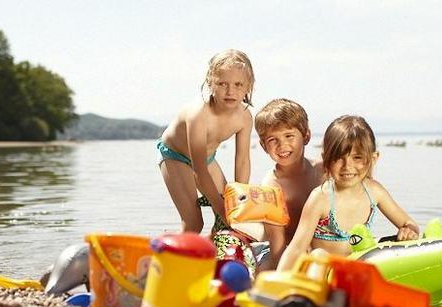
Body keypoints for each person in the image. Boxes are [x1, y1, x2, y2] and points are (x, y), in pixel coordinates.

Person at [276, 115, 420, 271]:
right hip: (324, 271)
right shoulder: (321, 198)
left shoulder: (375, 192)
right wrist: (277, 282)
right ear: (326, 159)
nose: (347, 166)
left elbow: (409, 224)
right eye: (338, 158)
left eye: (357, 157)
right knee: (319, 255)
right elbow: (296, 248)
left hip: (355, 270)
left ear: (373, 158)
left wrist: (408, 231)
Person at [158, 49, 254, 234]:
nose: (230, 91)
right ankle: (172, 258)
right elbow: (199, 171)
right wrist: (221, 208)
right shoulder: (199, 114)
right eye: (222, 83)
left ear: (248, 86)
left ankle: (211, 256)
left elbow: (242, 161)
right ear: (210, 82)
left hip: (207, 159)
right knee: (194, 223)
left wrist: (240, 201)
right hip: (175, 157)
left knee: (227, 217)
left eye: (238, 84)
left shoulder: (244, 117)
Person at [253, 98, 325, 271]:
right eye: (273, 140)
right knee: (264, 271)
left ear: (306, 136)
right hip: (286, 249)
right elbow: (277, 245)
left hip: (323, 247)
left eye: (289, 136)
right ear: (264, 146)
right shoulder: (271, 187)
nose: (282, 145)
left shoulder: (322, 171)